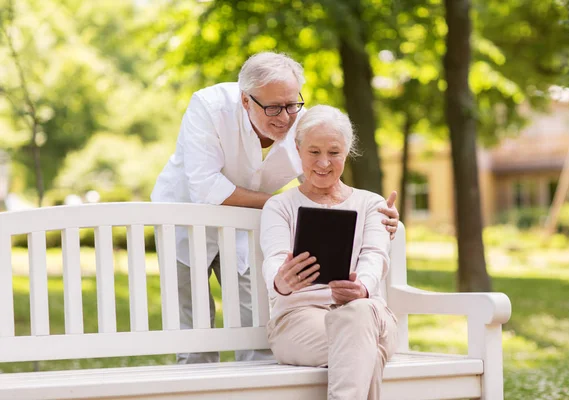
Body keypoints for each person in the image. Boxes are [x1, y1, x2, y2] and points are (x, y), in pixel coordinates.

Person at [151, 52, 399, 364]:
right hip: (185, 221)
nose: (285, 117)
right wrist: (279, 206)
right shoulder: (209, 107)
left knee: (256, 324)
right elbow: (206, 188)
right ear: (245, 101)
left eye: (292, 104)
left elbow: (322, 183)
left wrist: (375, 213)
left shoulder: (300, 121)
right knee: (194, 332)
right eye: (273, 108)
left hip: (246, 226)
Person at [260, 105, 398, 400]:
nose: (324, 162)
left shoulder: (372, 205)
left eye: (334, 152)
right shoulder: (280, 206)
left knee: (359, 313)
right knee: (366, 354)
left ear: (346, 152)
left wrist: (362, 288)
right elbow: (274, 257)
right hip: (299, 321)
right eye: (314, 152)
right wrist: (280, 282)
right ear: (298, 150)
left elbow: (375, 256)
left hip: (369, 316)